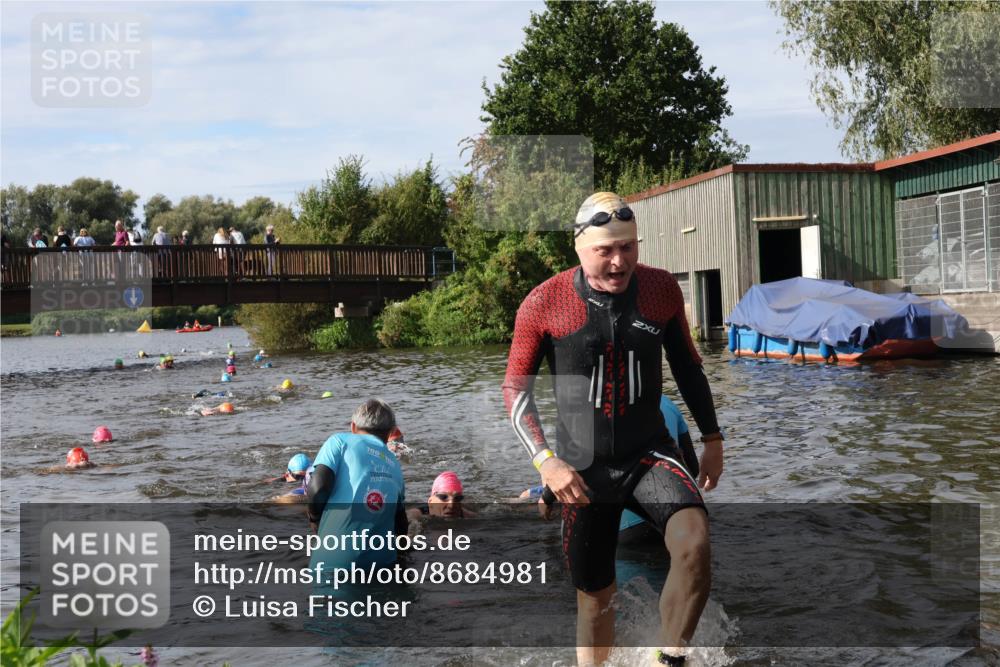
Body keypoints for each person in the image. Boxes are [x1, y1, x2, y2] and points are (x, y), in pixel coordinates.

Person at [502, 191, 725, 666]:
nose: (619, 261)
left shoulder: (661, 289)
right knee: (596, 597)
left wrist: (712, 439)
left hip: (649, 452)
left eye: (628, 247)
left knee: (695, 543)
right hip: (582, 469)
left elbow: (688, 366)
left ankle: (667, 658)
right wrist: (547, 462)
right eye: (606, 250)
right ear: (580, 249)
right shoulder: (544, 302)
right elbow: (515, 392)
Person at [307, 398, 407, 571]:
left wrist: (315, 520)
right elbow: (400, 524)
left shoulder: (339, 442)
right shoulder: (394, 463)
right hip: (383, 565)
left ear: (353, 427)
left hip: (335, 563)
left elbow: (317, 488)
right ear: (390, 432)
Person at [406, 471, 475, 522]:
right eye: (443, 497)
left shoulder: (468, 516)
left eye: (457, 498)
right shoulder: (417, 514)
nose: (451, 505)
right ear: (431, 501)